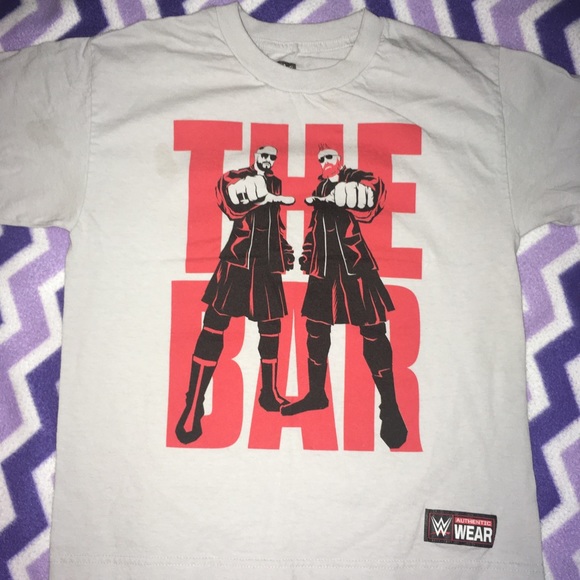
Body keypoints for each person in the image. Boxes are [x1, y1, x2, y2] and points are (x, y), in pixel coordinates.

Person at [280, 146, 408, 449]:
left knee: (373, 330)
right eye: (321, 159)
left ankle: (390, 406)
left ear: (340, 160)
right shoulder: (320, 189)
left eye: (330, 157)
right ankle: (316, 394)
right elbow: (314, 227)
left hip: (354, 266)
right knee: (315, 329)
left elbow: (372, 195)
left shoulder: (354, 180)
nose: (325, 162)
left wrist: (355, 192)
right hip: (323, 270)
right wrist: (307, 254)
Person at [176, 145, 295, 444]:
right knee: (214, 326)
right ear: (255, 156)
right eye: (264, 155)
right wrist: (258, 194)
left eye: (272, 157)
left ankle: (269, 393)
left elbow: (276, 221)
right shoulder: (238, 177)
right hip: (238, 261)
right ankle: (194, 403)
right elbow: (230, 204)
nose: (268, 161)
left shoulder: (276, 183)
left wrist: (284, 247)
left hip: (266, 264)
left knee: (272, 328)